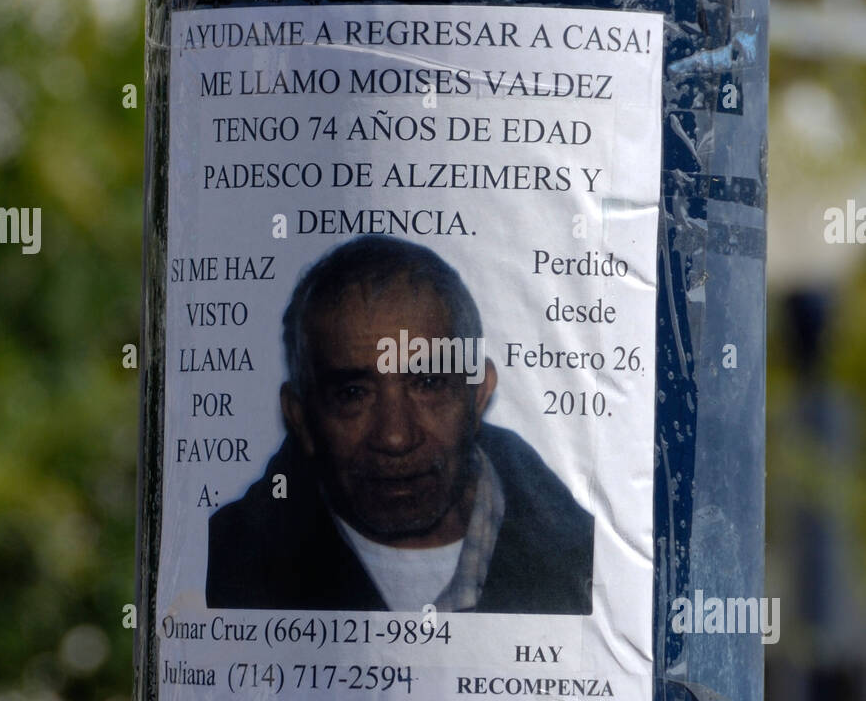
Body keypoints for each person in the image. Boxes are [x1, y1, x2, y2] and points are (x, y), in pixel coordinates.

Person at [206, 237, 593, 614]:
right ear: (301, 418)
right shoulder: (223, 570)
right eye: (353, 394)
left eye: (427, 384)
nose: (394, 436)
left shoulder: (588, 560)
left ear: (477, 395)